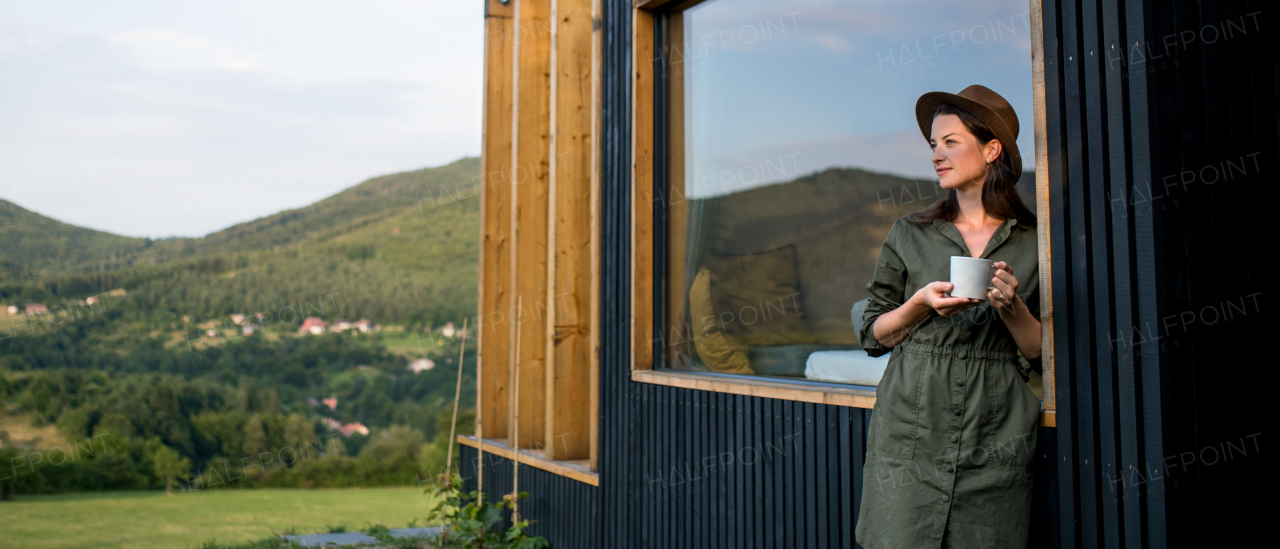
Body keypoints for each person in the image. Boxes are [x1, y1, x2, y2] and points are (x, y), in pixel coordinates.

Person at [854, 85, 1042, 549]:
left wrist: (1012, 308)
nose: (937, 154)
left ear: (991, 148)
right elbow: (871, 334)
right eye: (933, 145)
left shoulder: (1036, 242)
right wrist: (917, 305)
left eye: (950, 141)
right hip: (911, 426)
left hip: (996, 432)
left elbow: (1043, 353)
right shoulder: (909, 233)